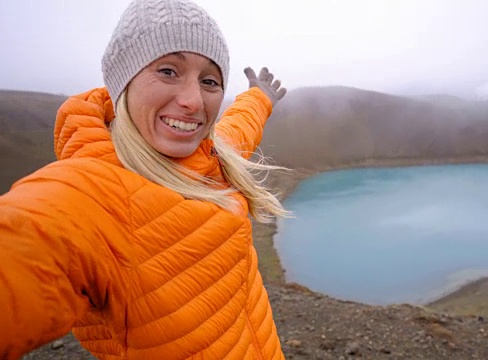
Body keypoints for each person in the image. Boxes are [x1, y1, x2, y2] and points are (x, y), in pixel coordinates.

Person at [0, 0, 291, 358]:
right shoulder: (91, 196)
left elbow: (237, 129)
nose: (193, 101)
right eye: (168, 71)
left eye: (210, 81)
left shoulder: (210, 157)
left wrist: (259, 98)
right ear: (124, 82)